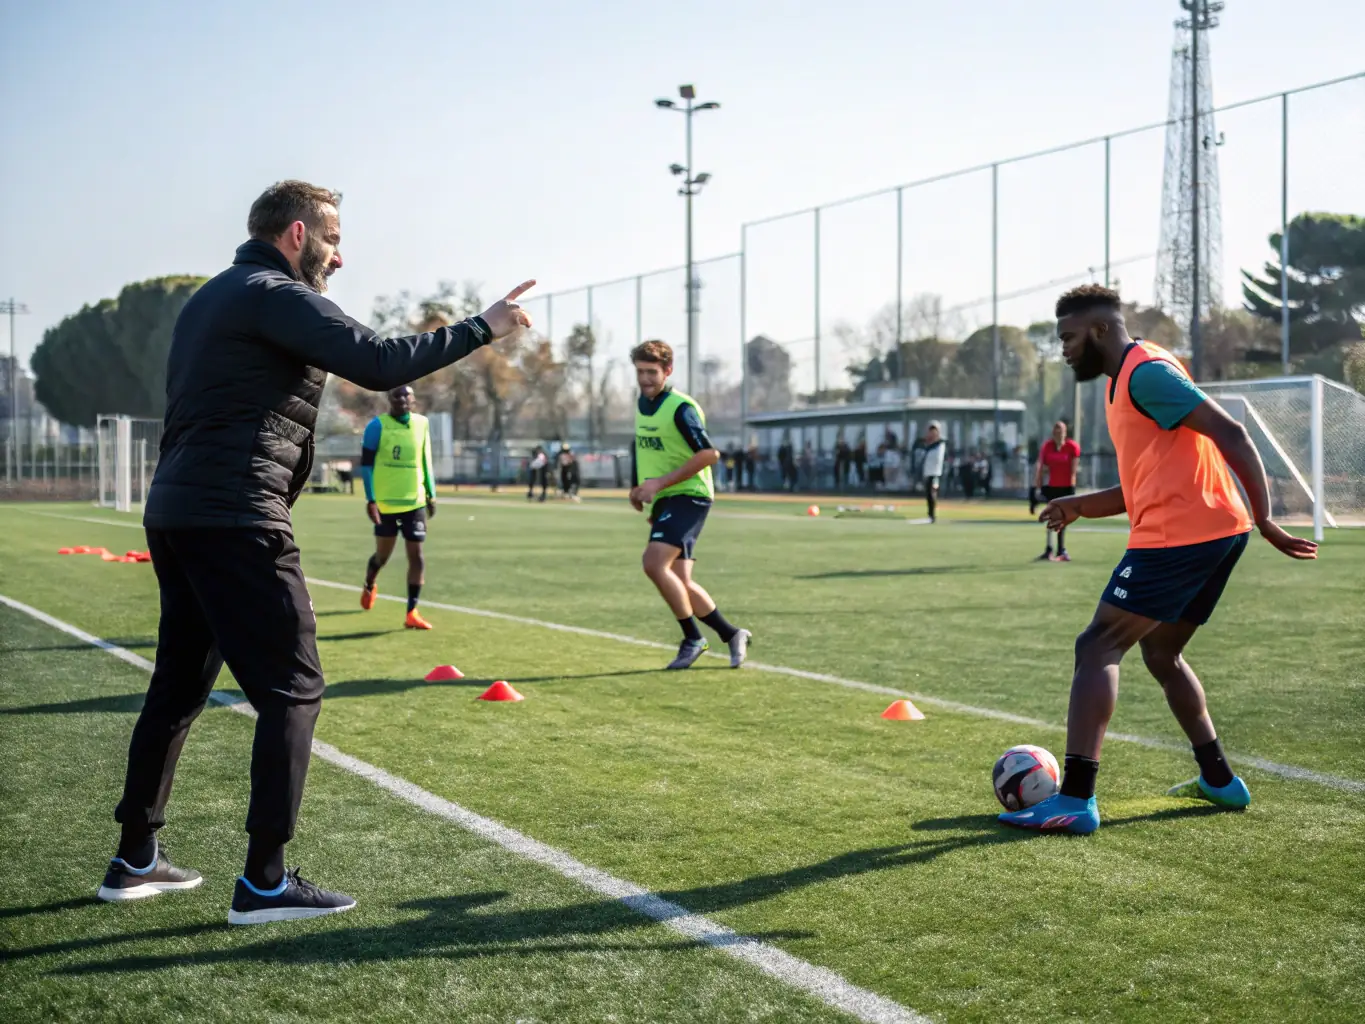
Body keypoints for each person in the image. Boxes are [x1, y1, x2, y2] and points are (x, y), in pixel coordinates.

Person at [102, 179, 533, 923]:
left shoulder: (212, 297)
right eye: (333, 240)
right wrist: (481, 327)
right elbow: (378, 360)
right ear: (297, 234)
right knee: (294, 689)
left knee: (177, 687)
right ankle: (264, 881)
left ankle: (134, 857)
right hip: (235, 514)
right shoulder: (274, 292)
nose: (340, 256)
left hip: (178, 510)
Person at [1000, 284, 1316, 836]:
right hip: (1213, 530)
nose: (1065, 350)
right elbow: (1140, 484)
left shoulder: (1146, 373)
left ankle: (1075, 798)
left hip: (1185, 534)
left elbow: (1232, 432)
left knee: (1098, 644)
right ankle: (1218, 778)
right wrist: (1080, 505)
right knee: (1162, 652)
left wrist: (1266, 515)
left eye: (1070, 338)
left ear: (1100, 330)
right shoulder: (1127, 379)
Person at [628, 340, 751, 671]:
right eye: (640, 372)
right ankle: (731, 633)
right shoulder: (642, 402)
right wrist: (637, 486)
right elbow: (641, 445)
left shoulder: (681, 408)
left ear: (667, 371)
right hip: (668, 497)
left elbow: (709, 454)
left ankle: (692, 638)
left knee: (654, 563)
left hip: (691, 494)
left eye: (652, 372)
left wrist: (658, 484)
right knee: (680, 580)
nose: (645, 379)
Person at [358, 385, 436, 630]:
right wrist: (371, 500)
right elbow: (366, 466)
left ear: (413, 399)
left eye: (406, 395)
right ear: (389, 399)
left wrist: (431, 494)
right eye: (397, 395)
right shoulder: (376, 426)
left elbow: (426, 459)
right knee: (382, 557)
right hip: (386, 504)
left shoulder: (422, 424)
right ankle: (370, 583)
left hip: (415, 501)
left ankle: (412, 611)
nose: (402, 399)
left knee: (417, 557)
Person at [1034, 420, 1081, 561]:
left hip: (1066, 487)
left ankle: (1062, 550)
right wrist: (1038, 486)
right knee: (1051, 517)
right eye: (1056, 429)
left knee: (1063, 519)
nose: (1058, 432)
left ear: (1065, 432)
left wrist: (1072, 488)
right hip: (1052, 486)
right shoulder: (1047, 447)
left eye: (1061, 430)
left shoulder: (1072, 447)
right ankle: (1048, 549)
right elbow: (1041, 467)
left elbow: (1073, 470)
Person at [920, 422, 946, 521]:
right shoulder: (927, 445)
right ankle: (930, 513)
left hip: (935, 472)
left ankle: (932, 514)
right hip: (928, 472)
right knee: (928, 493)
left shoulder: (939, 444)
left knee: (932, 492)